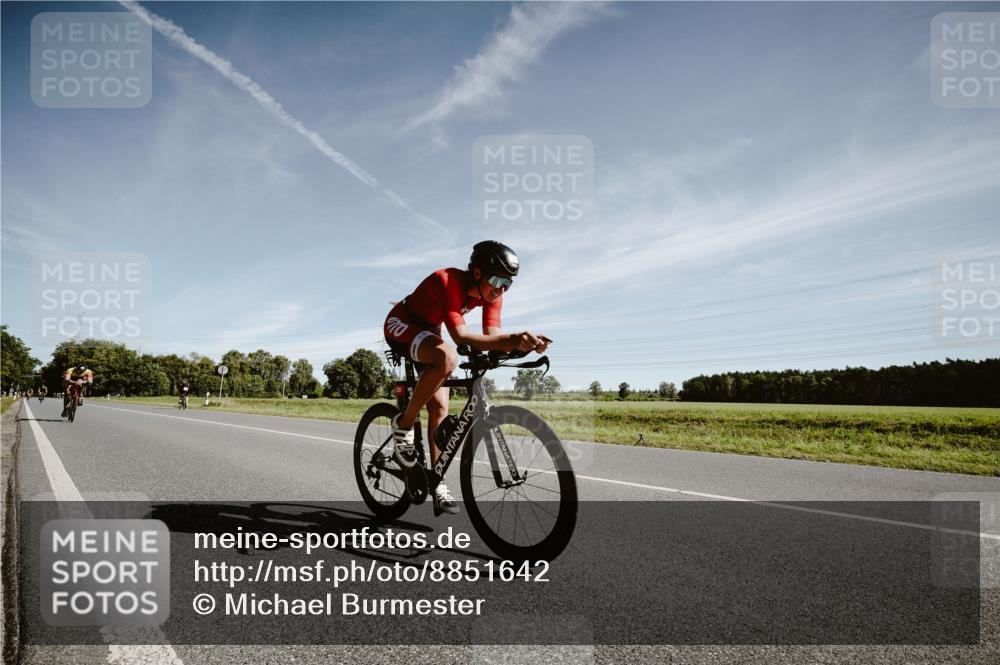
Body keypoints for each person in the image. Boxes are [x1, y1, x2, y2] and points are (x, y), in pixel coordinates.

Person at [383, 241, 549, 516]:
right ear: (476, 273)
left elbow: (492, 336)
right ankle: (403, 424)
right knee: (447, 358)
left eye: (508, 283)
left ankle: (436, 483)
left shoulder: (494, 295)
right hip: (402, 323)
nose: (501, 288)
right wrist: (511, 339)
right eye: (497, 280)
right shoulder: (447, 280)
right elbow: (460, 337)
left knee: (440, 409)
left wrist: (523, 344)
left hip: (429, 330)